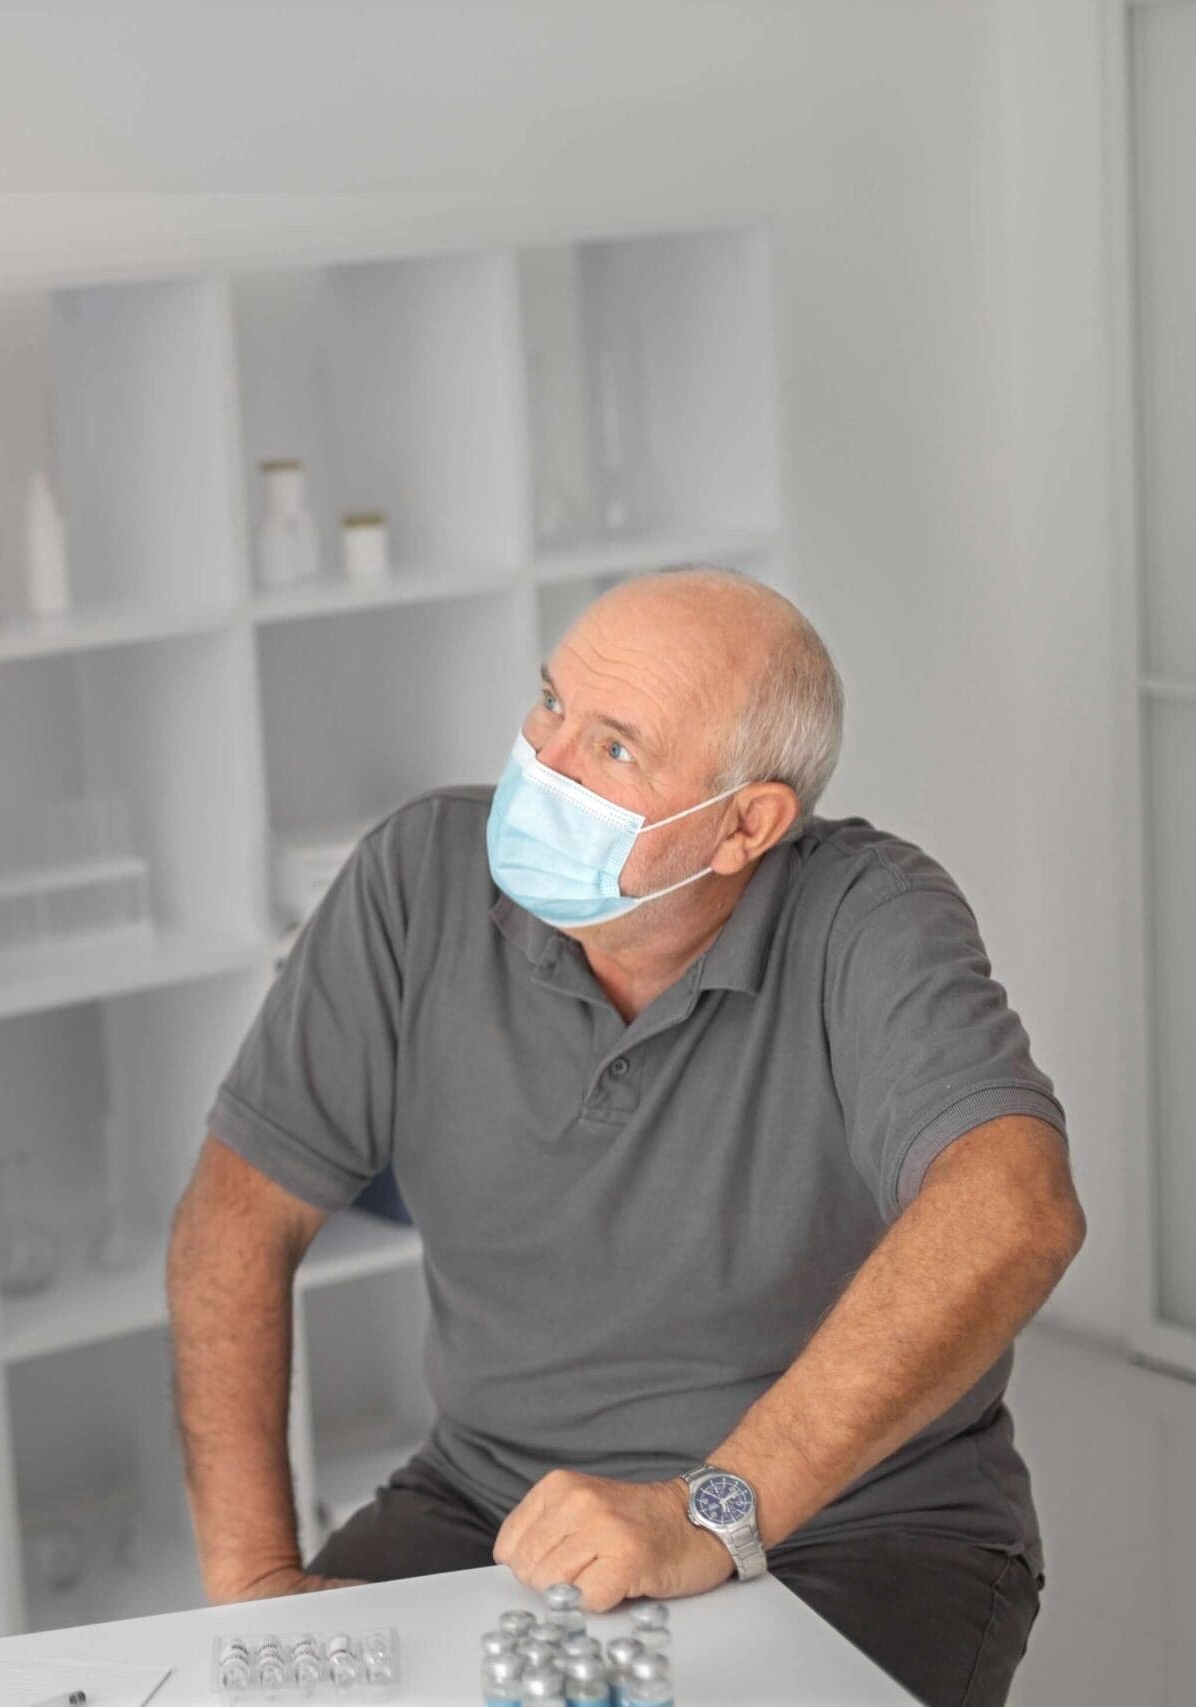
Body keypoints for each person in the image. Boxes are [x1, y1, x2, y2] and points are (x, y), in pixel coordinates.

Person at [167, 568, 1085, 1707]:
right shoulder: (415, 883)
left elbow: (1013, 1210)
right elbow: (236, 1219)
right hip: (492, 1506)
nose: (539, 765)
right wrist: (254, 1578)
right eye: (549, 704)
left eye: (611, 751)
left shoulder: (870, 918)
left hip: (865, 1525)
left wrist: (715, 1509)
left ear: (748, 823)